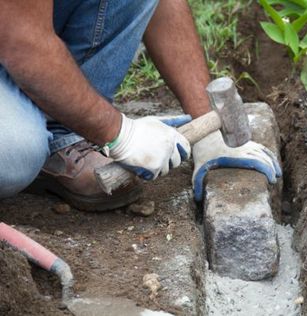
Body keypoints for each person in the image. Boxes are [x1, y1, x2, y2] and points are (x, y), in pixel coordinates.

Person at [0, 0, 281, 210]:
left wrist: (206, 121)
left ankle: (62, 131)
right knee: (15, 154)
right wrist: (120, 133)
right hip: (14, 33)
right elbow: (20, 40)